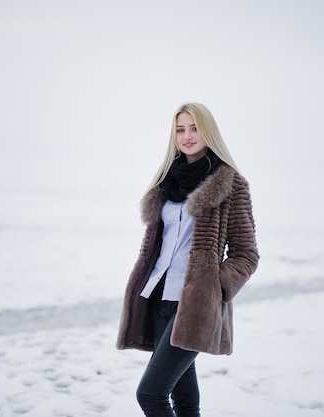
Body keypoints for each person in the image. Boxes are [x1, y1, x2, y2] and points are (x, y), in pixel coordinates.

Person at [116, 103, 259, 416]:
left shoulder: (231, 184)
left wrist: (213, 289)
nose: (187, 135)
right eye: (180, 129)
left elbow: (246, 253)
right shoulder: (165, 182)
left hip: (194, 305)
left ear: (209, 131)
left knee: (150, 395)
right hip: (157, 298)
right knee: (183, 400)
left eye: (194, 128)